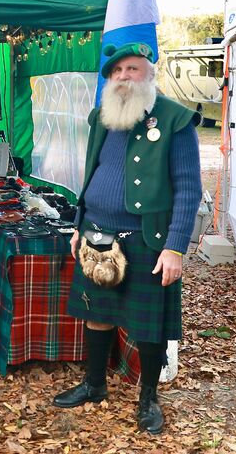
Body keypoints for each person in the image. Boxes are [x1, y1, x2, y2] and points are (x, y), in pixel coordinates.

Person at [53, 42, 202, 435]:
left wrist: (174, 247)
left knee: (148, 326)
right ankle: (94, 384)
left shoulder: (175, 119)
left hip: (146, 239)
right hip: (95, 233)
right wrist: (77, 224)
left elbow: (188, 189)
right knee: (97, 314)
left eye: (132, 69)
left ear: (149, 74)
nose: (123, 76)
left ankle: (148, 397)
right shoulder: (102, 117)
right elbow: (92, 173)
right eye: (116, 71)